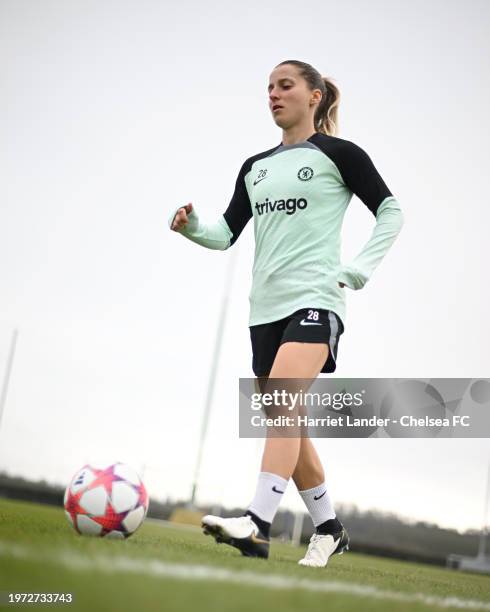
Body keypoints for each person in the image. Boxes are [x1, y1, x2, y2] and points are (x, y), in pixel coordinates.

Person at [168, 59, 404, 567]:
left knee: (283, 400)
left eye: (285, 85)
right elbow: (226, 234)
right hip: (264, 312)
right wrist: (191, 226)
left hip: (317, 299)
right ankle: (330, 529)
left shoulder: (338, 155)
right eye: (269, 88)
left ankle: (255, 523)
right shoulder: (255, 166)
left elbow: (392, 211)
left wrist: (359, 268)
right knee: (284, 417)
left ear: (314, 96)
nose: (274, 94)